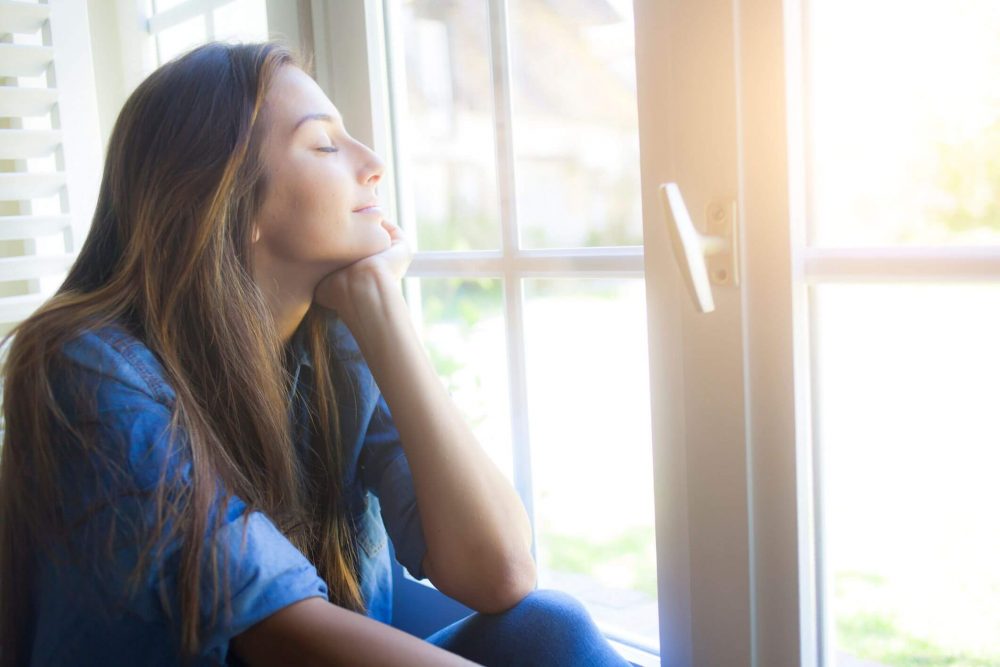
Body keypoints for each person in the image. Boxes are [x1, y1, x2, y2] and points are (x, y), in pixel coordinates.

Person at [0, 42, 630, 666]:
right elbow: (282, 636)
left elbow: (500, 573)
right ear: (231, 202)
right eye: (326, 144)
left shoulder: (333, 344)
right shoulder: (83, 367)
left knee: (551, 628)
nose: (373, 162)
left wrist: (381, 309)